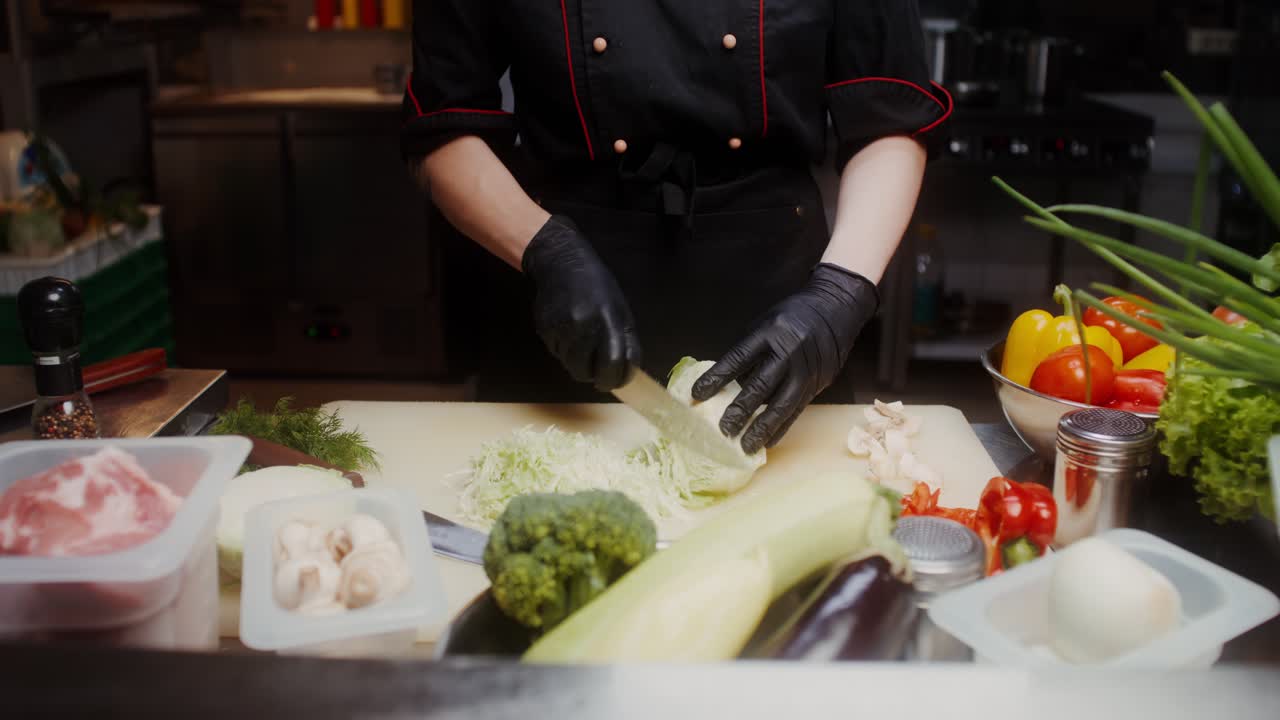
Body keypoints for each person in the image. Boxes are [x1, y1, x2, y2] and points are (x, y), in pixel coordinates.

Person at [403, 0, 951, 455]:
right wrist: (547, 251)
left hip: (780, 312)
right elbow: (442, 127)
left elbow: (889, 118)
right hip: (564, 307)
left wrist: (841, 289)